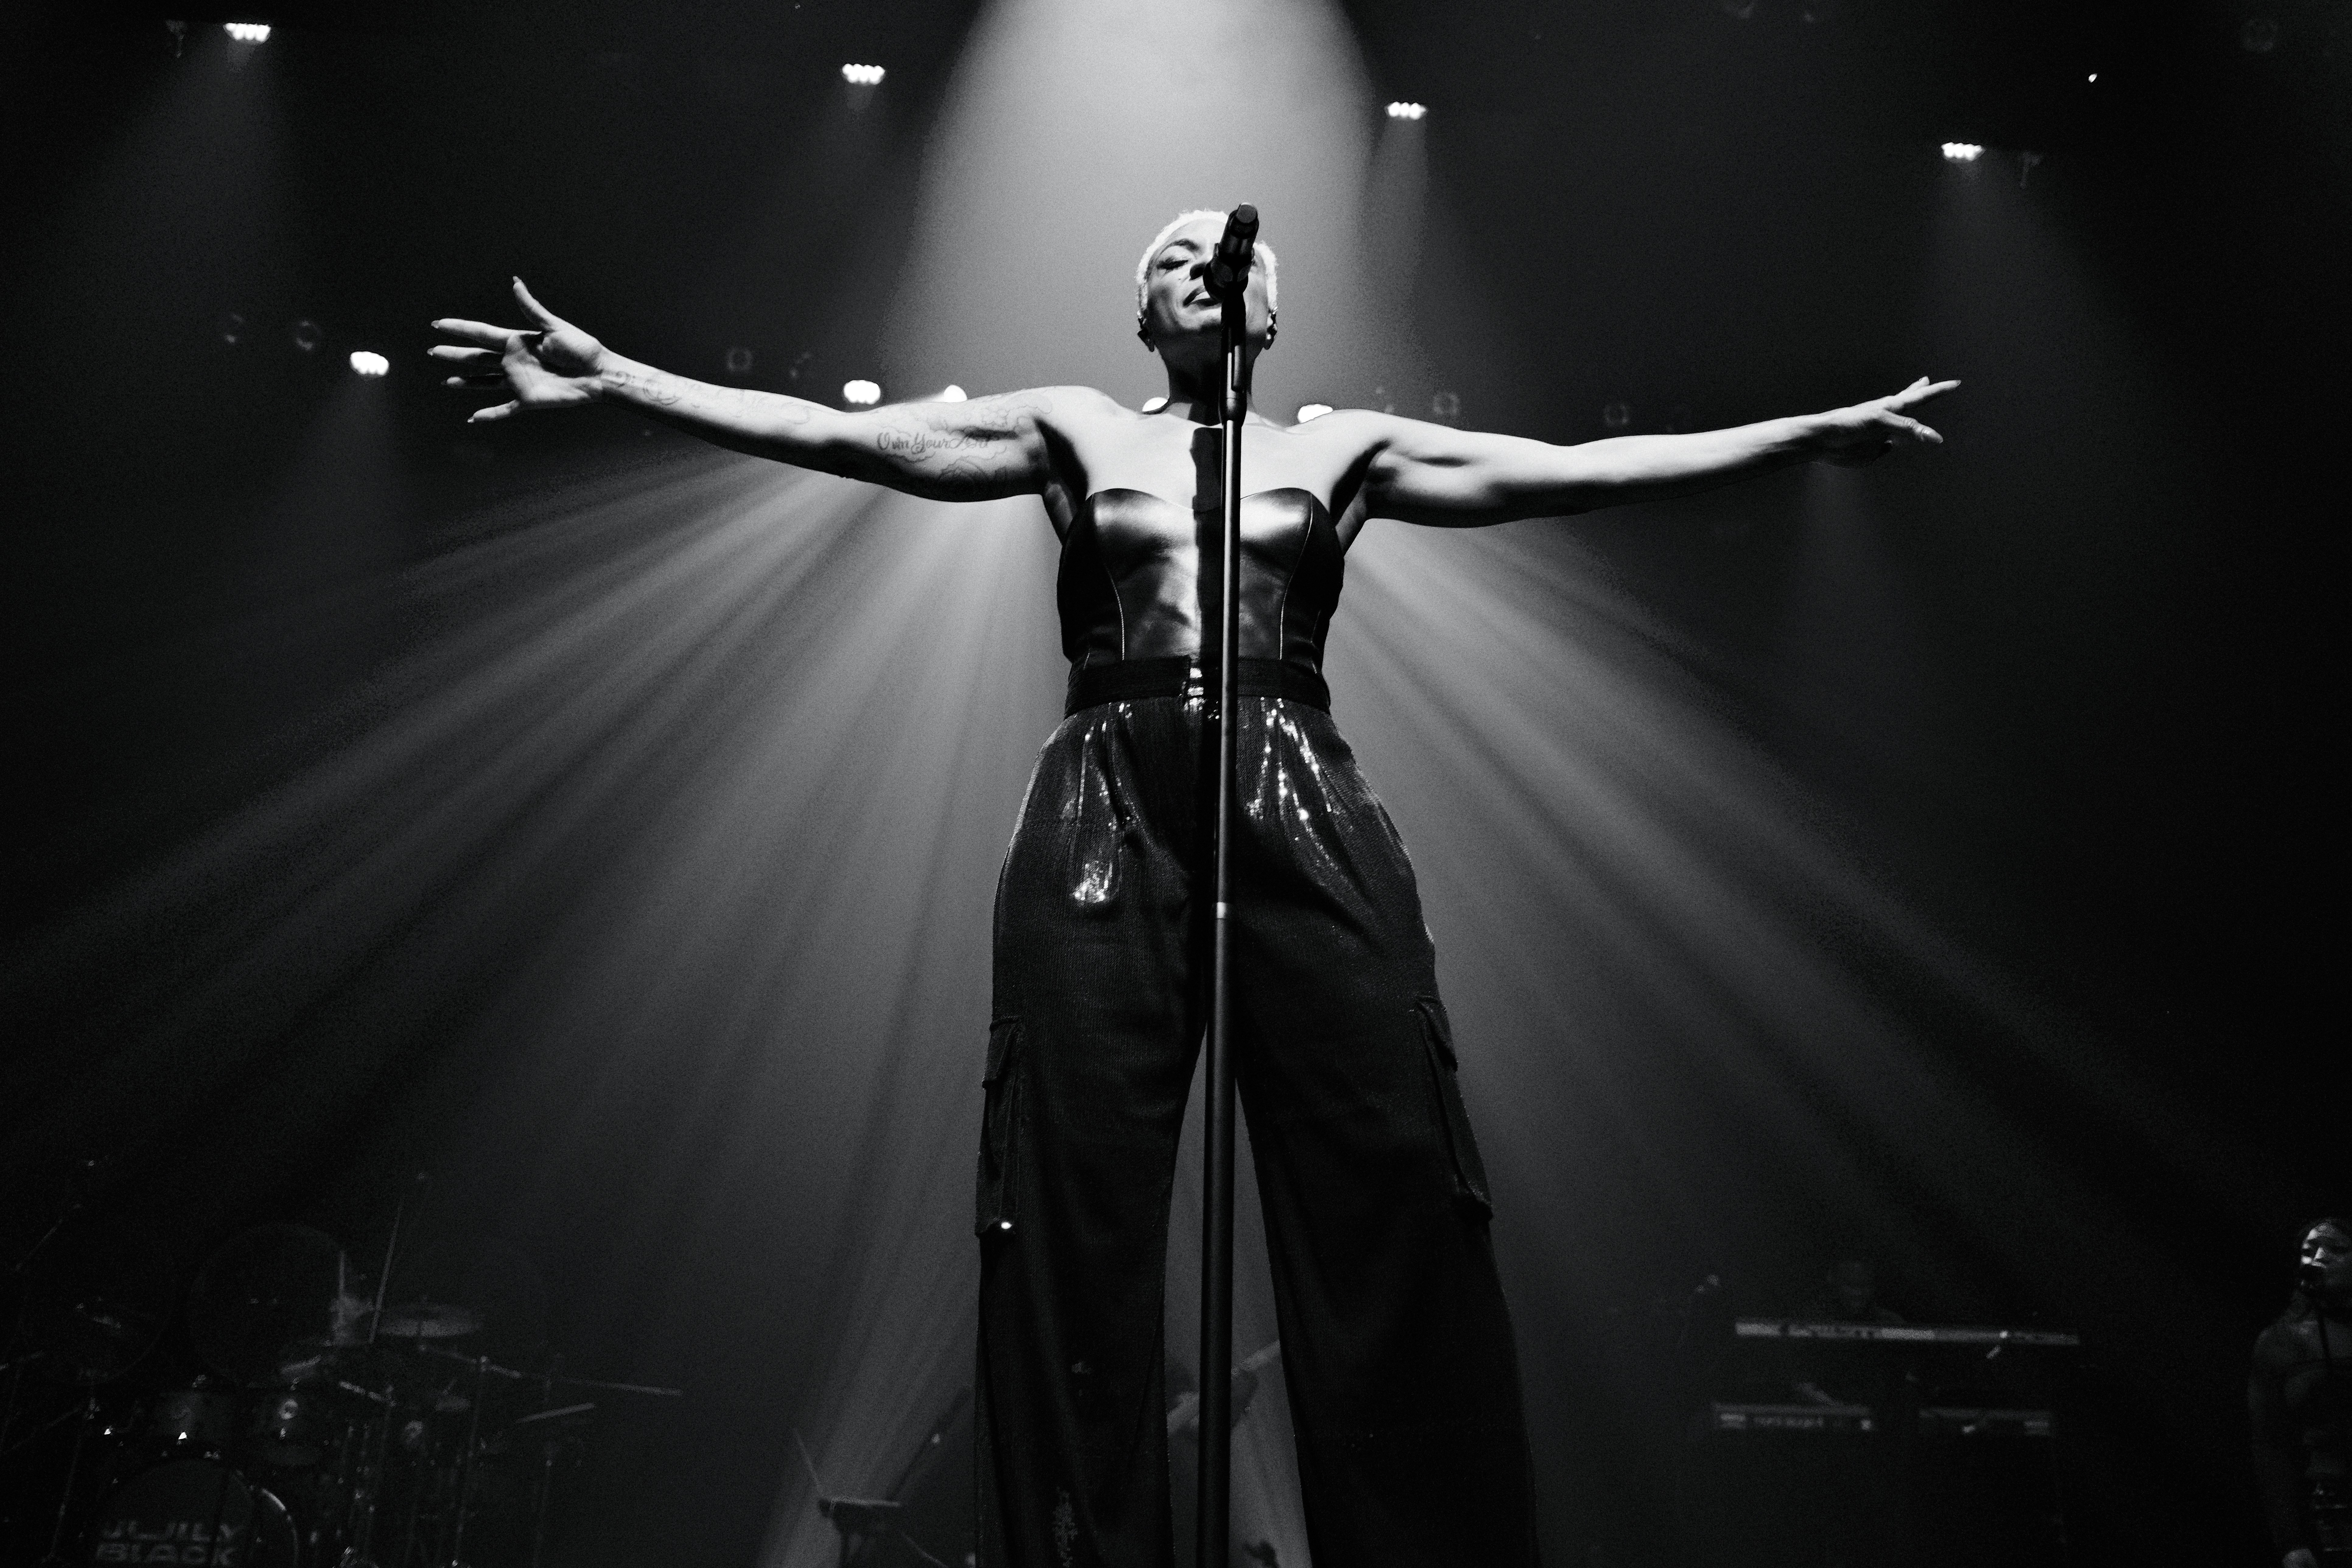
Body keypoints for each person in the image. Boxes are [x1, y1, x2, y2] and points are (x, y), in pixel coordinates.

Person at [432, 209, 1958, 1568]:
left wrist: (1803, 435)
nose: (1199, 269)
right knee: (1071, 1210)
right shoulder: (1079, 429)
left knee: (1393, 1185)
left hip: (1297, 776)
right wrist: (624, 380)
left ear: (1265, 312)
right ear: (1147, 312)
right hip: (1109, 789)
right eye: (1167, 260)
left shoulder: (1338, 449)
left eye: (1223, 259)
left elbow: (1573, 469)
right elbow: (852, 440)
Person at [2252, 1218, 2352, 1568]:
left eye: (2336, 1249)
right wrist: (2290, 1542)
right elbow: (2270, 1445)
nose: (2318, 1257)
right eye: (2309, 1251)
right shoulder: (2282, 1342)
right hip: (2332, 1516)